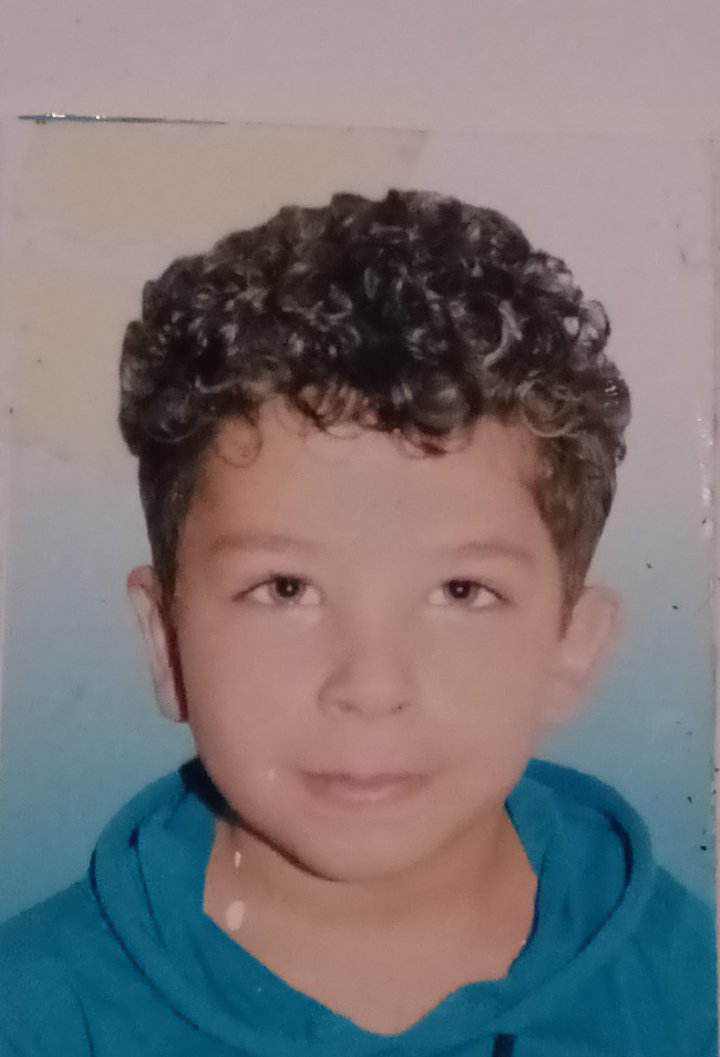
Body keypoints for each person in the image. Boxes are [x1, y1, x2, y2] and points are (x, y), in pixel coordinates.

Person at [0, 189, 716, 1056]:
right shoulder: (33, 1016)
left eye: (461, 591)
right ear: (164, 642)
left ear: (573, 646)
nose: (371, 685)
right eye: (286, 588)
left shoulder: (691, 995)